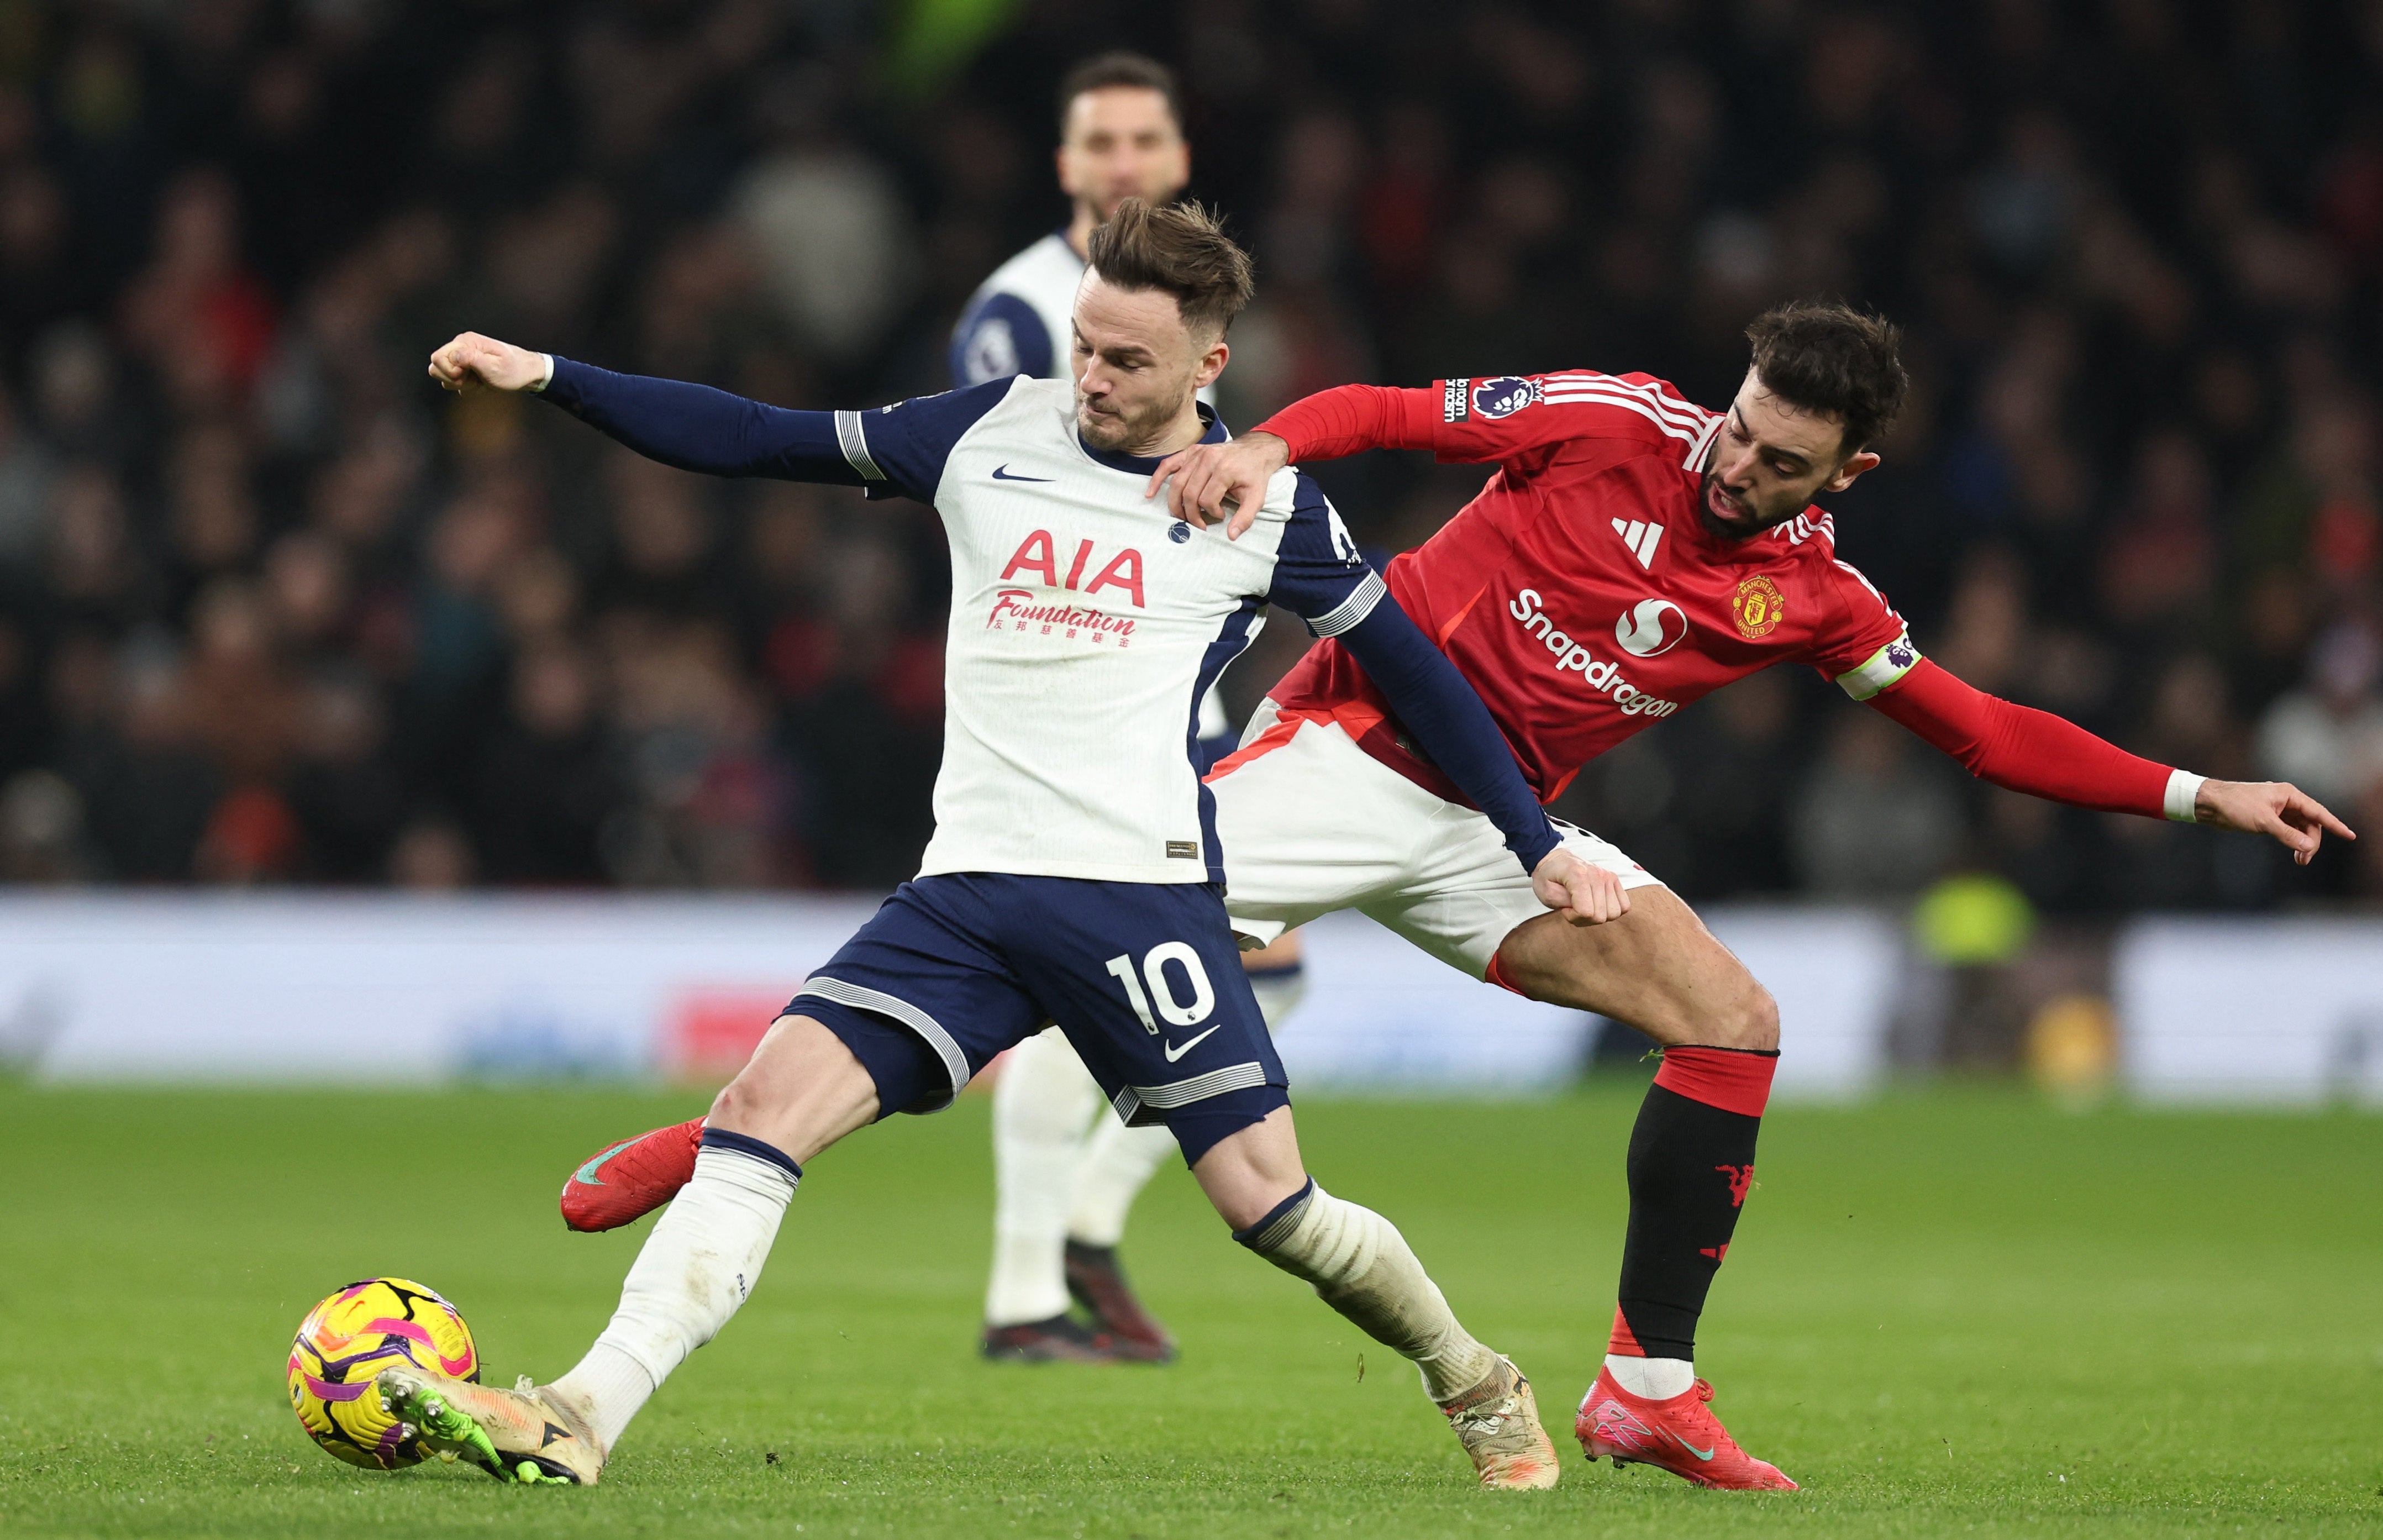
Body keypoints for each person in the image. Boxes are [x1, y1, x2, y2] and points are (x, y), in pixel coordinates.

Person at [562, 302, 2352, 1492]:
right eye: (1739, 429)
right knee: (1048, 938)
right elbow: (1385, 409)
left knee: (1733, 1021)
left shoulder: (1812, 594)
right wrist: (1266, 450)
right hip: (1341, 749)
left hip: (1499, 833)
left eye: (1779, 461)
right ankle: (719, 1134)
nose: (1735, 466)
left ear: (1844, 476)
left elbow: (1977, 728)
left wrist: (2195, 789)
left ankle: (1646, 1387)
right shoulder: (1606, 420)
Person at [377, 198, 1629, 1490]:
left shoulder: (1264, 508)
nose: (1092, 375)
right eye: (1084, 343)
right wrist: (550, 376)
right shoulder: (988, 429)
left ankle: (1472, 1376)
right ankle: (580, 1411)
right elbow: (755, 436)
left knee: (1272, 1207)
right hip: (963, 896)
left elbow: (1418, 680)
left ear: (1209, 364)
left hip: (1137, 901)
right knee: (759, 1112)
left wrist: (1529, 838)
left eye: (1128, 358)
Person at [948, 49, 1302, 1365]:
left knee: (1276, 964)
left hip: (1165, 683)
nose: (1122, 163)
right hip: (1072, 685)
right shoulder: (1019, 308)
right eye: (1099, 142)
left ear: (1177, 158)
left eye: (1143, 140)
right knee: (1147, 980)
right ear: (1064, 163)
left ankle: (1067, 1245)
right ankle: (1033, 1274)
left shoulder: (1183, 300)